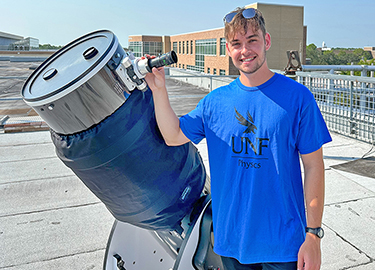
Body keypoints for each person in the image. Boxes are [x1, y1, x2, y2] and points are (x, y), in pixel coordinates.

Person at [144, 7, 332, 270]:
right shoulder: (214, 103)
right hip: (232, 243)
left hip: (284, 245)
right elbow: (173, 134)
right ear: (228, 49)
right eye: (236, 44)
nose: (245, 50)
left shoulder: (298, 98)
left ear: (266, 41)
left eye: (252, 40)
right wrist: (159, 89)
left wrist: (313, 235)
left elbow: (314, 166)